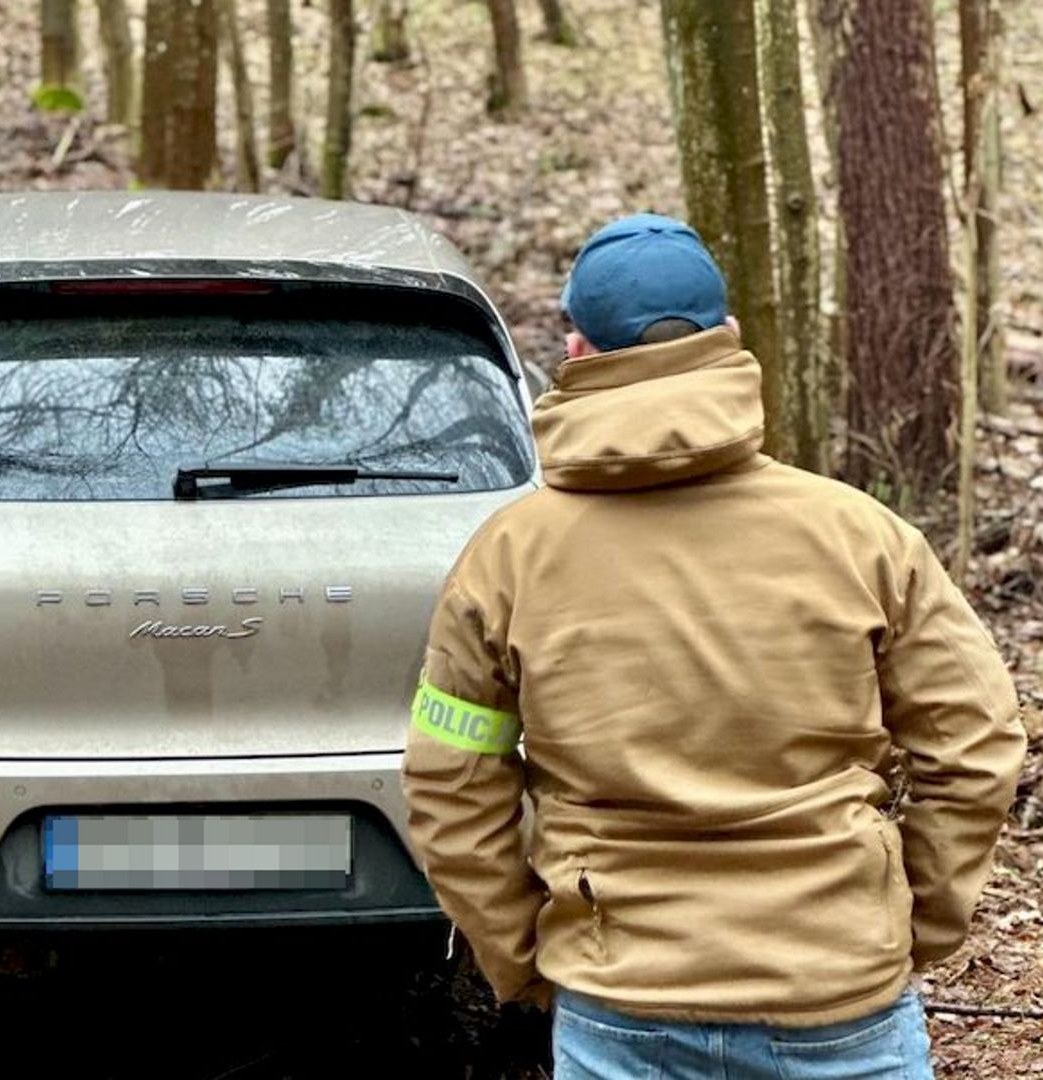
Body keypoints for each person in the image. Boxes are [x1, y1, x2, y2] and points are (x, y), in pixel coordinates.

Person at [401, 213, 1026, 1079]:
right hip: (839, 990)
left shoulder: (504, 561)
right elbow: (977, 742)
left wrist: (523, 954)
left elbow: (450, 779)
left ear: (576, 353)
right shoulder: (860, 536)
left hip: (622, 1003)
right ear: (728, 340)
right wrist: (911, 921)